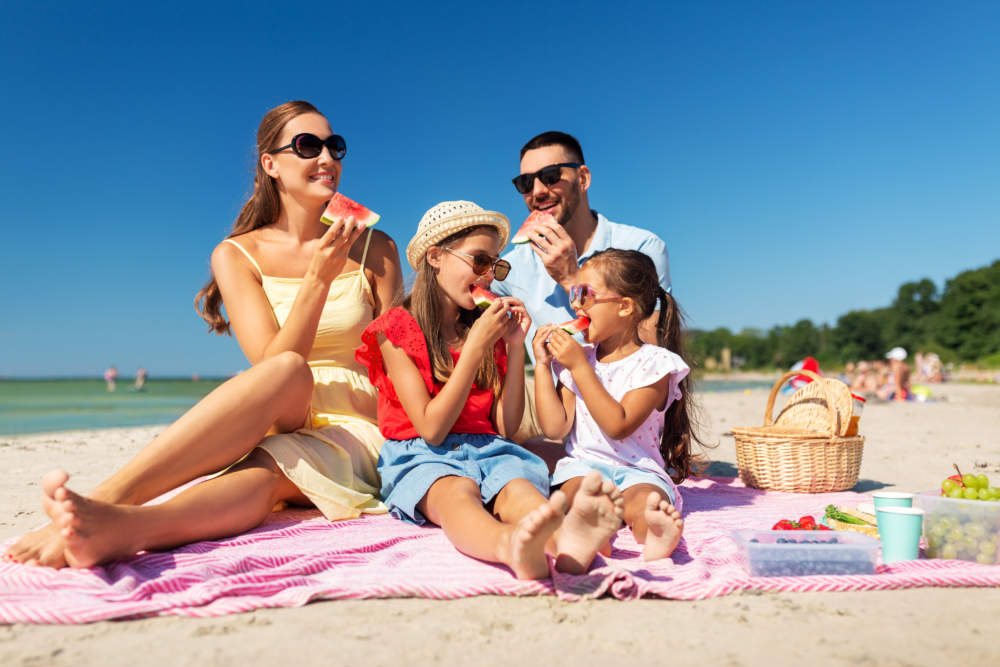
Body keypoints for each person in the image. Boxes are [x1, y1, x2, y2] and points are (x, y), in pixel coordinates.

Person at [4, 100, 402, 569]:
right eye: (307, 145)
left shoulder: (378, 247)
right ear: (270, 164)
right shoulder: (235, 256)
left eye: (334, 146)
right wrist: (318, 281)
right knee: (289, 367)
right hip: (279, 401)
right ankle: (109, 497)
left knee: (269, 473)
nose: (327, 158)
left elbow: (399, 357)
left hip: (359, 418)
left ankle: (123, 529)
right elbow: (272, 363)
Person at [356, 201, 624, 579]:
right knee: (455, 496)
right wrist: (476, 348)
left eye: (496, 266)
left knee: (520, 491)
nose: (488, 276)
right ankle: (507, 546)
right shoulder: (395, 329)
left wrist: (515, 346)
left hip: (488, 448)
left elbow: (507, 427)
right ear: (435, 257)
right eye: (479, 261)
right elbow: (432, 428)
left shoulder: (486, 328)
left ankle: (570, 542)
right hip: (422, 454)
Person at [491, 131, 671, 444]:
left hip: (629, 424)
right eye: (525, 183)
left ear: (583, 178)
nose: (537, 191)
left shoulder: (641, 246)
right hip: (555, 417)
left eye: (550, 176)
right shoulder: (511, 268)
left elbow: (653, 347)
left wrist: (573, 279)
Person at [532, 249, 696, 562]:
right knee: (576, 498)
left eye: (584, 294)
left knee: (646, 502)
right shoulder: (577, 361)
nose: (575, 304)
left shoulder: (656, 364)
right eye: (574, 294)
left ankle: (654, 535)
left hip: (638, 470)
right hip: (583, 468)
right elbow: (555, 427)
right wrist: (542, 366)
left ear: (624, 307)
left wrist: (580, 367)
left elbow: (618, 425)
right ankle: (594, 538)